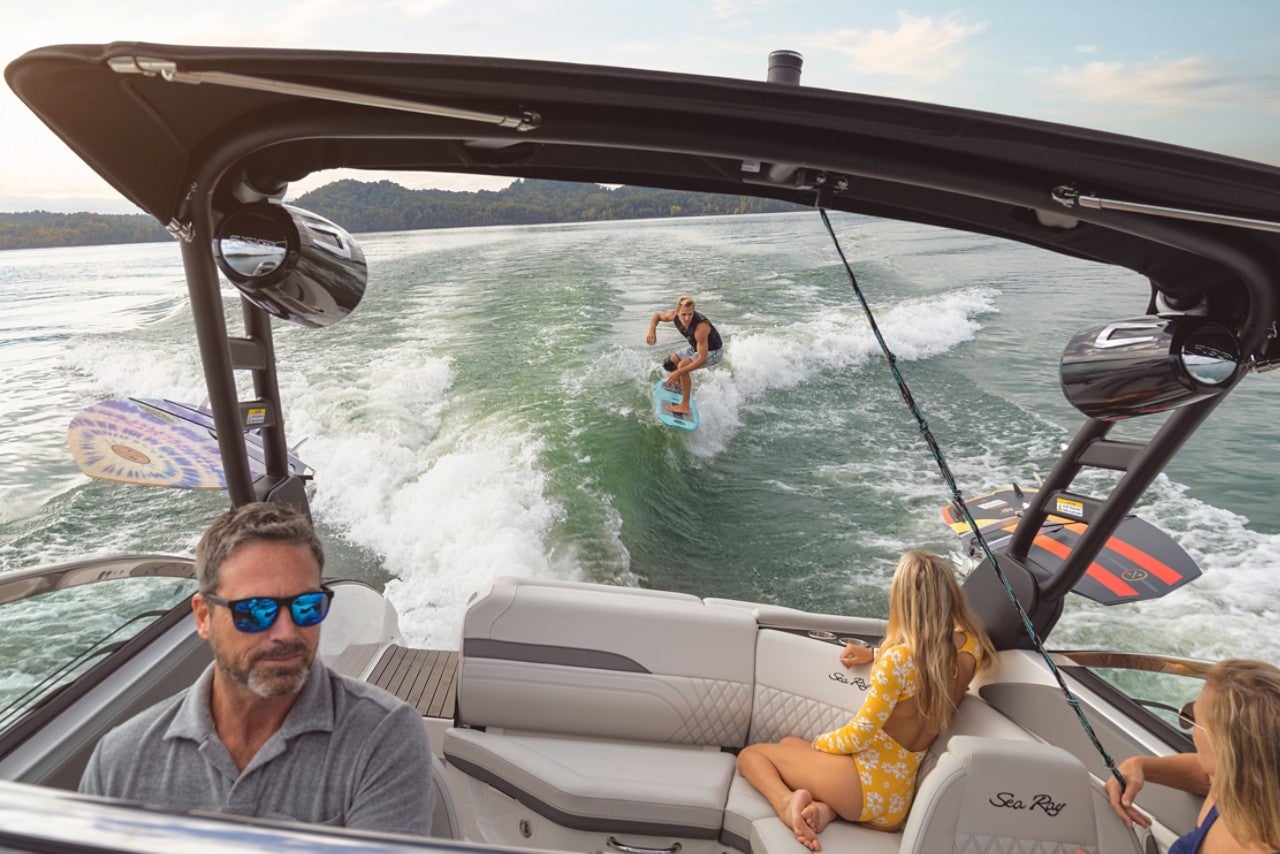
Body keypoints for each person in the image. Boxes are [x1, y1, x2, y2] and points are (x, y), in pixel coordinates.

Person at [79, 502, 437, 836]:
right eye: (255, 611)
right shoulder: (120, 761)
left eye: (307, 606)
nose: (286, 632)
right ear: (204, 617)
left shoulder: (383, 737)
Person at [736, 550, 996, 851]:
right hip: (896, 801)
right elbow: (930, 661)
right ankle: (827, 809)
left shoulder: (899, 660)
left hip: (864, 783)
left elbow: (859, 736)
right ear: (950, 595)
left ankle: (786, 803)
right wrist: (874, 654)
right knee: (789, 744)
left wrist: (820, 744)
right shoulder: (971, 648)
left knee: (753, 756)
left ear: (902, 600)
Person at [1094, 658, 1280, 854]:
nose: (1193, 732)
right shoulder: (1233, 787)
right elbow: (1206, 774)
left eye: (1196, 720)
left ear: (1226, 750)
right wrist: (1141, 766)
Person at [646, 295, 723, 415]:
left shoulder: (701, 327)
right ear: (677, 312)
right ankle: (681, 385)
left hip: (713, 352)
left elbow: (702, 359)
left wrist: (679, 372)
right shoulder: (674, 315)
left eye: (690, 314)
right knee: (668, 364)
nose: (687, 318)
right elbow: (657, 316)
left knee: (682, 366)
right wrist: (652, 330)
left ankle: (685, 406)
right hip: (695, 347)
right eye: (683, 314)